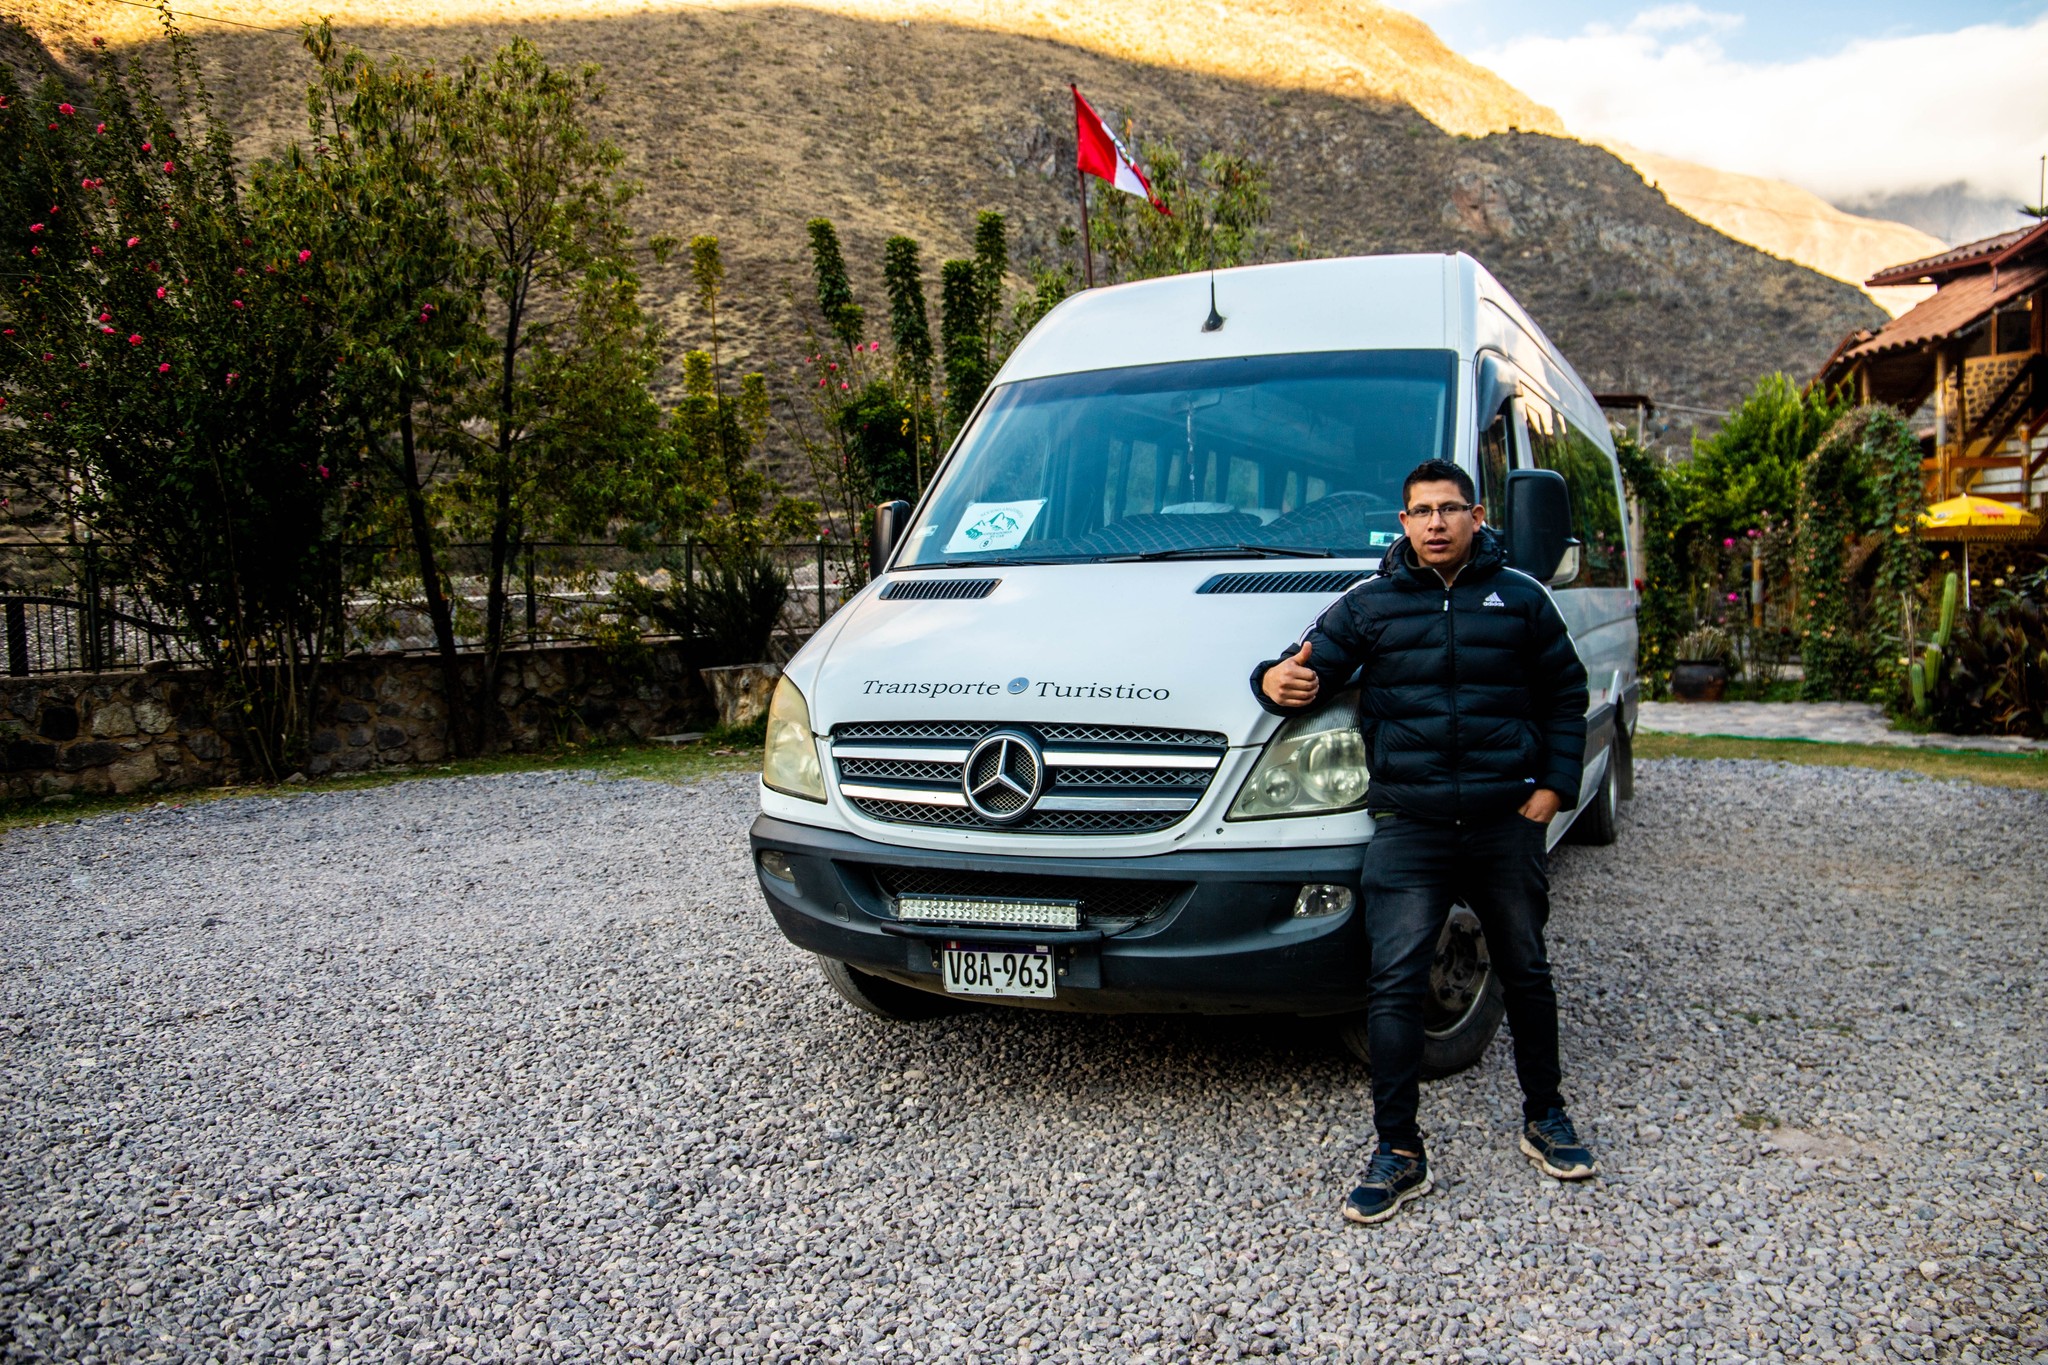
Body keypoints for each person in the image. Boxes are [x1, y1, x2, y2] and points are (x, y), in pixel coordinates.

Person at [1250, 458, 1597, 1226]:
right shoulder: (1369, 605)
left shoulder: (1523, 599)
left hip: (1507, 821)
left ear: (1477, 515)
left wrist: (1552, 789)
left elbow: (1566, 694)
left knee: (1527, 971)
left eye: (1449, 508)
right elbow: (1298, 668)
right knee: (1394, 985)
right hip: (1409, 828)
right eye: (1420, 511)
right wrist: (1271, 680)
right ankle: (1398, 1151)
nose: (1435, 523)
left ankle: (1547, 1115)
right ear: (1402, 524)